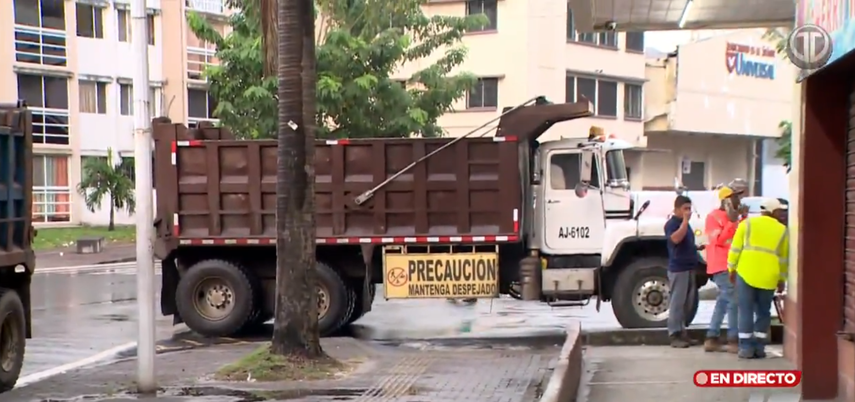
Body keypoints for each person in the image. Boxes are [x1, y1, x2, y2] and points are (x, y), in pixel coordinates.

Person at [727, 198, 789, 359]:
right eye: (780, 211)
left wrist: (731, 268)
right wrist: (782, 279)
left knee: (745, 310)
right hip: (769, 276)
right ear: (773, 211)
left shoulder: (746, 224)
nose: (782, 214)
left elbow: (735, 249)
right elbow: (783, 258)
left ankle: (746, 348)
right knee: (763, 312)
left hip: (746, 272)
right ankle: (759, 348)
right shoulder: (782, 230)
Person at [703, 186, 747, 353]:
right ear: (726, 200)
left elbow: (742, 236)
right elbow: (720, 240)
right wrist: (732, 221)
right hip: (721, 265)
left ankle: (711, 337)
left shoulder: (735, 218)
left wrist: (742, 218)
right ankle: (733, 338)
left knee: (723, 300)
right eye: (735, 198)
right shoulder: (713, 217)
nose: (738, 200)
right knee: (733, 300)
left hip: (733, 264)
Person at [665, 195, 701, 348]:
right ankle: (674, 334)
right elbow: (675, 239)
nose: (688, 212)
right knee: (677, 303)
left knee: (687, 303)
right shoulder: (672, 224)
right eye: (685, 209)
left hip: (689, 267)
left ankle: (683, 332)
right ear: (676, 209)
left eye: (689, 209)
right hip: (678, 268)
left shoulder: (686, 225)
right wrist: (685, 222)